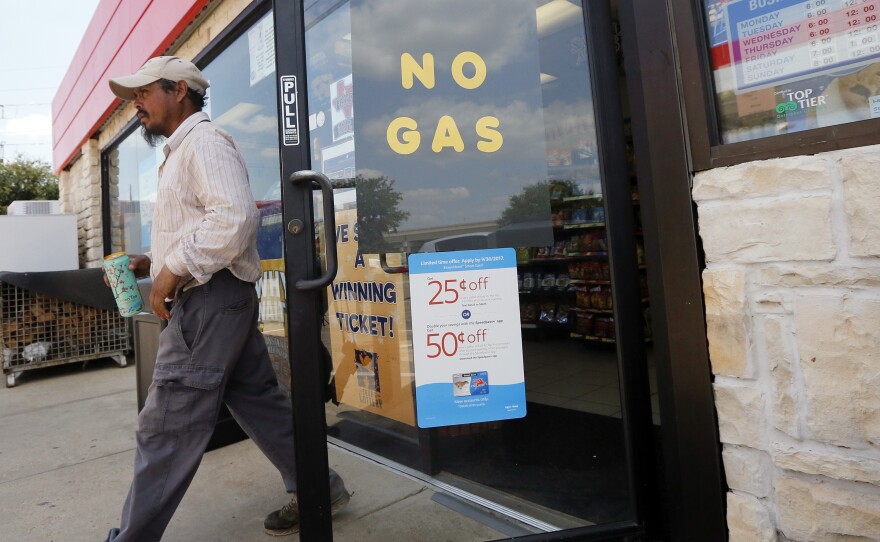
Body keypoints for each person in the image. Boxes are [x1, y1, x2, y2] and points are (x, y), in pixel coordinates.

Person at [103, 56, 349, 541]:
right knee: (257, 400)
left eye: (142, 93)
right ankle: (322, 487)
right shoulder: (181, 150)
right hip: (218, 299)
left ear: (179, 91)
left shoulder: (205, 144)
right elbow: (203, 224)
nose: (135, 105)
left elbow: (235, 219)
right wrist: (153, 261)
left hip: (209, 303)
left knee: (167, 424)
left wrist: (172, 270)